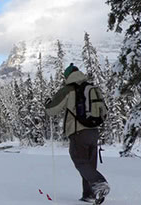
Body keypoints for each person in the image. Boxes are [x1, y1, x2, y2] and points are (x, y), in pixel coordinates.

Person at [45, 63, 110, 204]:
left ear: (68, 76)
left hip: (78, 132)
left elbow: (52, 110)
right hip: (93, 131)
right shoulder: (92, 88)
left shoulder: (68, 89)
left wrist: (48, 104)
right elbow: (104, 111)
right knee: (89, 164)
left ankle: (99, 183)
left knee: (80, 161)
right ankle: (89, 195)